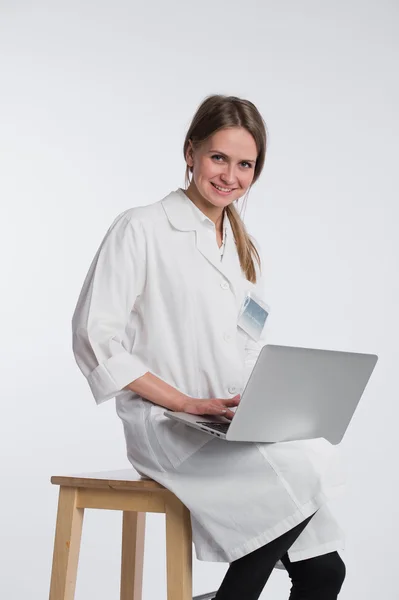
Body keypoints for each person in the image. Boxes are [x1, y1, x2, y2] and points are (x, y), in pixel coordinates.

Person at [71, 94, 347, 599]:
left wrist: (269, 407)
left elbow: (246, 346)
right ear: (191, 151)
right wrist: (185, 403)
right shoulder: (142, 227)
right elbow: (96, 335)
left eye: (246, 165)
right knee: (300, 475)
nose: (230, 176)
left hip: (226, 424)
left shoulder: (242, 250)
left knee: (326, 572)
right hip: (168, 426)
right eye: (219, 157)